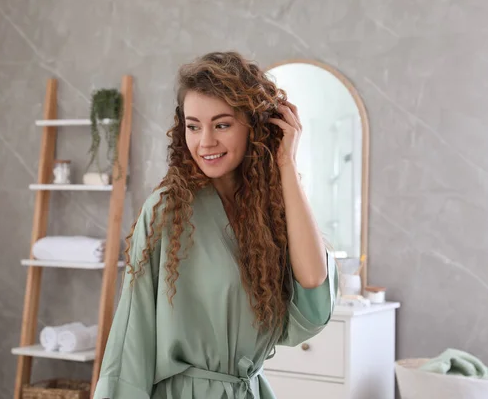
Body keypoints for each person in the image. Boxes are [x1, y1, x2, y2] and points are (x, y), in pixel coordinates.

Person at [93, 51, 338, 399]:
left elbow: (313, 288)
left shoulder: (270, 212)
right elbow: (133, 336)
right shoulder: (167, 211)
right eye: (193, 126)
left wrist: (286, 162)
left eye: (221, 125)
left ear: (254, 127)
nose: (205, 142)